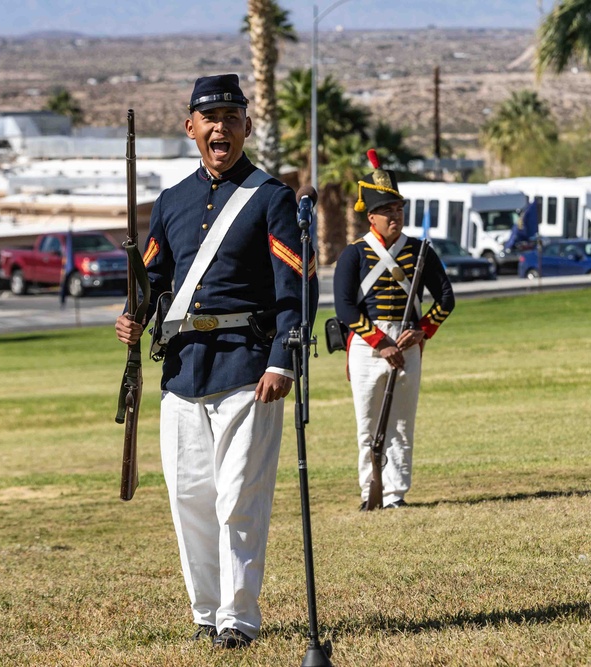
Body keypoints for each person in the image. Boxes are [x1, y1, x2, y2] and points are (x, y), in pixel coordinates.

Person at [114, 74, 316, 650]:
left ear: (246, 127)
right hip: (182, 372)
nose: (220, 127)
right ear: (191, 128)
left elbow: (296, 287)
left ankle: (238, 617)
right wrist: (134, 314)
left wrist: (283, 360)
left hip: (247, 370)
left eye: (231, 116)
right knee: (190, 500)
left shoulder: (270, 198)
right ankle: (206, 610)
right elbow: (152, 281)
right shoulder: (172, 202)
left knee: (238, 500)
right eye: (210, 118)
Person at [333, 151, 455, 510]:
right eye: (387, 210)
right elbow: (344, 307)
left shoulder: (419, 252)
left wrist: (421, 331)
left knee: (401, 424)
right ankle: (368, 489)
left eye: (398, 209)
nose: (395, 216)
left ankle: (396, 494)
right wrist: (379, 342)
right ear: (371, 216)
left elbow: (446, 298)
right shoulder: (354, 254)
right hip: (368, 345)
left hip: (407, 340)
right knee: (368, 425)